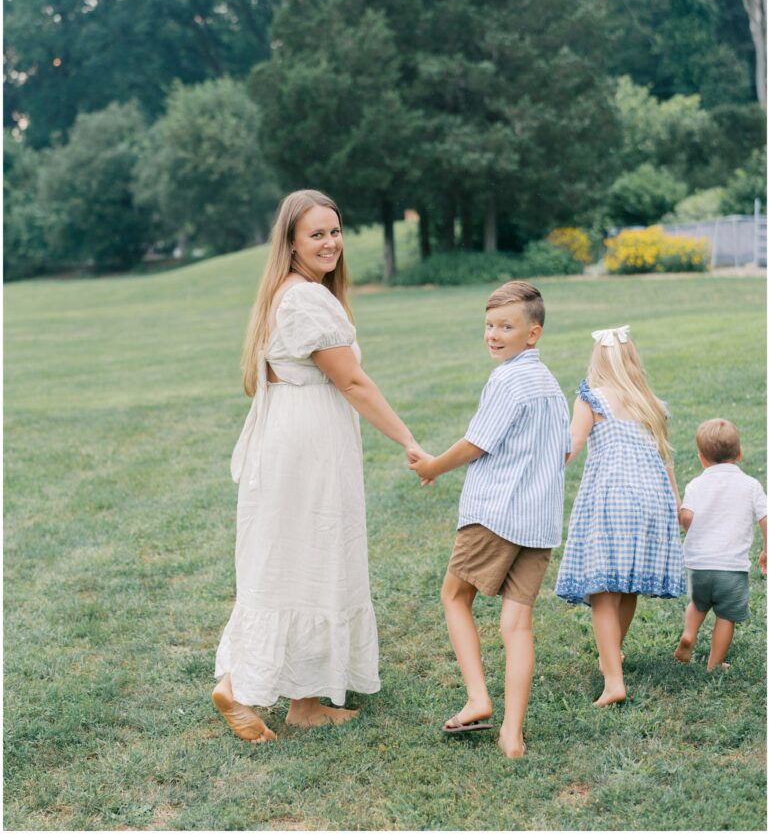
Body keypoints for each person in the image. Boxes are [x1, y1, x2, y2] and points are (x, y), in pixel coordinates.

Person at [213, 189, 420, 743]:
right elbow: (351, 381)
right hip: (307, 448)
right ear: (291, 242)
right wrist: (408, 440)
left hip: (295, 437)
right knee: (307, 556)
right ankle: (238, 685)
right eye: (316, 234)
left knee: (301, 557)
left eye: (336, 231)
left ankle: (304, 702)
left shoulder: (295, 292)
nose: (330, 243)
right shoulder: (304, 299)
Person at [409, 281, 570, 760]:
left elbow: (477, 442)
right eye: (489, 325)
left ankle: (479, 698)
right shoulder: (550, 386)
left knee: (454, 596)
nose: (494, 335)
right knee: (517, 625)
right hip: (539, 523)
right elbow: (561, 452)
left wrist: (432, 466)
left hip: (496, 514)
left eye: (507, 326)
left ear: (533, 333)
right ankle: (511, 735)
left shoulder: (508, 380)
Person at [554, 325, 685, 706]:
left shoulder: (592, 398)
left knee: (602, 591)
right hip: (652, 501)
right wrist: (675, 504)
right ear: (632, 360)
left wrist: (542, 469)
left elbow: (573, 444)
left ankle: (614, 681)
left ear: (598, 361)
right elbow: (666, 460)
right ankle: (613, 654)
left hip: (613, 497)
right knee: (626, 584)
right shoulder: (652, 404)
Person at [674, 418, 767, 671]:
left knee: (699, 603)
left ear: (701, 458)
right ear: (740, 453)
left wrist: (682, 514)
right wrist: (766, 549)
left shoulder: (696, 484)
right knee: (726, 617)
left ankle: (689, 634)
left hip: (699, 566)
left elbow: (687, 519)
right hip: (731, 568)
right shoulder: (751, 485)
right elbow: (765, 518)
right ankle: (715, 663)